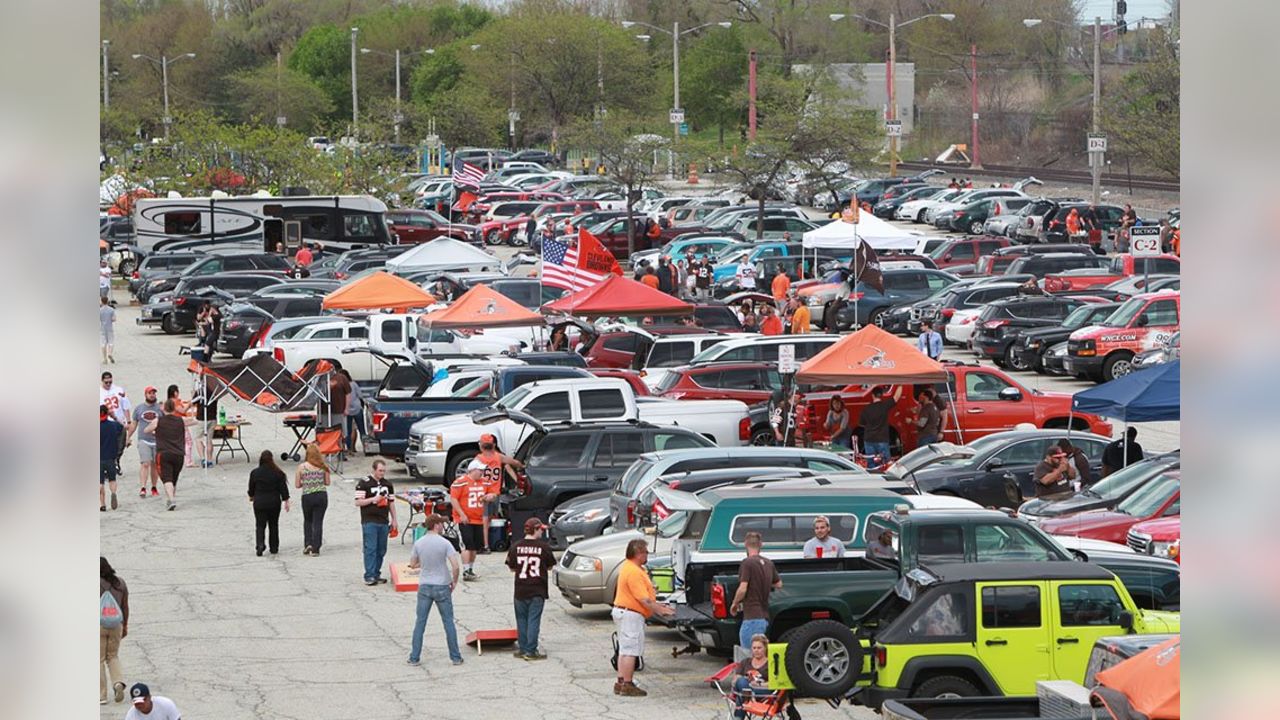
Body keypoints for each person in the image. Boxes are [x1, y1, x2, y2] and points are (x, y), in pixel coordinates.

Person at [611, 539, 675, 697]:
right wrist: (661, 610)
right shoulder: (633, 572)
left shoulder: (631, 567)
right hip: (630, 614)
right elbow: (643, 600)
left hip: (624, 612)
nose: (647, 555)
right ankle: (627, 684)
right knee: (631, 650)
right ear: (638, 553)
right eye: (645, 552)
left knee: (624, 650)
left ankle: (621, 681)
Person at [407, 513, 464, 667]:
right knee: (448, 622)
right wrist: (455, 581)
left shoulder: (419, 543)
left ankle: (414, 657)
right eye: (441, 524)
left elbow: (413, 564)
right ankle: (455, 657)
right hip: (442, 584)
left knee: (420, 622)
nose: (442, 526)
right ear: (436, 525)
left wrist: (423, 564)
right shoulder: (444, 543)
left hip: (425, 585)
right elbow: (455, 566)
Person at [506, 517, 556, 660]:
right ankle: (531, 651)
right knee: (533, 619)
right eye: (541, 529)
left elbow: (511, 567)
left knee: (521, 619)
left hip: (520, 589)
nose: (542, 532)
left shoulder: (515, 546)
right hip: (537, 589)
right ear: (535, 529)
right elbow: (550, 565)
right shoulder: (544, 547)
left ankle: (522, 648)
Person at [729, 531, 781, 650]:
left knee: (749, 655)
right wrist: (765, 582)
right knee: (761, 654)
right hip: (764, 618)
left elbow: (743, 589)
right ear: (760, 544)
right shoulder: (769, 563)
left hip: (751, 617)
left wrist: (735, 603)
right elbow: (779, 584)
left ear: (745, 544)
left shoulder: (747, 563)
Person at [450, 459, 500, 581]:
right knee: (467, 545)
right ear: (472, 470)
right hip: (465, 519)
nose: (482, 472)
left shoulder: (485, 482)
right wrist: (461, 514)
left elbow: (494, 494)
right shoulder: (461, 482)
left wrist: (491, 497)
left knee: (474, 546)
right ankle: (466, 570)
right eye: (480, 470)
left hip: (478, 519)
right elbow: (454, 499)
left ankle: (470, 569)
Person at [355, 459, 397, 585]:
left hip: (383, 520)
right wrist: (373, 499)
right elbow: (358, 502)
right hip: (369, 520)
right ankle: (369, 575)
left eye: (384, 471)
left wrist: (394, 519)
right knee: (370, 548)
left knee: (381, 549)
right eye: (380, 471)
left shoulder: (388, 484)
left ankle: (376, 573)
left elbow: (391, 503)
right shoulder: (364, 483)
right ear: (373, 470)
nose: (382, 473)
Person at [149, 399, 190, 511]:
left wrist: (155, 432)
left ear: (164, 409)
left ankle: (171, 499)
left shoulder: (159, 421)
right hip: (179, 454)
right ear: (174, 408)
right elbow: (194, 421)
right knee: (174, 479)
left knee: (167, 479)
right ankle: (170, 499)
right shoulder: (181, 420)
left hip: (164, 453)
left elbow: (146, 430)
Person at [248, 451, 291, 556]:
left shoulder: (255, 473)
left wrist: (251, 496)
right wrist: (286, 500)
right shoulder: (278, 473)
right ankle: (274, 547)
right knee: (273, 524)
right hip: (274, 502)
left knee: (260, 525)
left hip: (259, 502)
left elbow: (251, 488)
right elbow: (283, 489)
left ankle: (260, 545)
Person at [100, 557, 129, 705]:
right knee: (113, 656)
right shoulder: (120, 583)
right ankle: (118, 683)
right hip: (116, 624)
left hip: (98, 625)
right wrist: (125, 626)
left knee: (98, 660)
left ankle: (102, 695)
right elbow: (125, 606)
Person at [296, 443, 331, 556]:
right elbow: (327, 482)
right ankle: (316, 548)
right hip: (321, 495)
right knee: (318, 521)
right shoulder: (323, 466)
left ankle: (308, 543)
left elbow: (297, 485)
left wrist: (306, 482)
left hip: (307, 495)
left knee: (308, 520)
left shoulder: (302, 467)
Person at [131, 386, 162, 499]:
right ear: (145, 394)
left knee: (155, 465)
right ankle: (143, 487)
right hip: (143, 439)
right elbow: (134, 424)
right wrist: (128, 436)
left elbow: (165, 423)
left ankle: (154, 487)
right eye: (150, 393)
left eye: (154, 393)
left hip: (157, 441)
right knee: (145, 463)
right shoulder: (139, 408)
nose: (152, 395)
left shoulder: (160, 409)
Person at [731, 634, 771, 719]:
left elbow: (775, 684)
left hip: (762, 693)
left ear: (765, 648)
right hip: (745, 690)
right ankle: (748, 696)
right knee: (742, 682)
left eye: (759, 648)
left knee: (742, 694)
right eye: (754, 648)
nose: (756, 650)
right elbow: (735, 681)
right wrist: (746, 682)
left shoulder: (771, 664)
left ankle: (738, 716)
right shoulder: (745, 662)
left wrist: (758, 685)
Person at [857, 386, 896, 469]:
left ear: (872, 395)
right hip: (882, 439)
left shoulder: (866, 409)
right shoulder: (885, 405)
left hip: (869, 439)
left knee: (871, 464)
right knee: (885, 464)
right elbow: (896, 397)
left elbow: (862, 424)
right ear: (881, 395)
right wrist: (901, 383)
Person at [100, 405, 124, 512]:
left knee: (100, 482)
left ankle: (102, 504)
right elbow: (122, 428)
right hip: (111, 457)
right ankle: (113, 493)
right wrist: (114, 417)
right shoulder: (113, 426)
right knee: (112, 479)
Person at [328, 363, 352, 457]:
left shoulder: (342, 378)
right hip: (325, 411)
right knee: (326, 432)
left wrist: (346, 408)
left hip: (339, 410)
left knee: (340, 432)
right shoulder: (320, 378)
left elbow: (348, 394)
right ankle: (328, 450)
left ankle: (341, 451)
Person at [100, 296, 116, 364]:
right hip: (110, 328)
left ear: (101, 301)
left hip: (102, 329)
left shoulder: (99, 310)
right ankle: (110, 353)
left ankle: (104, 359)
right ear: (107, 301)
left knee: (103, 344)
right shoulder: (111, 309)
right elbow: (114, 319)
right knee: (111, 342)